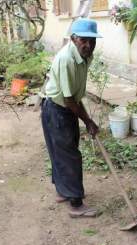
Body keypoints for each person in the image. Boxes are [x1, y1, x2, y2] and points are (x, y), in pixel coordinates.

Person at [41, 18, 102, 218]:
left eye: (92, 41)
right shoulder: (66, 59)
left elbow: (74, 96)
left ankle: (62, 191)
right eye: (84, 40)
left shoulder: (85, 56)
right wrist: (88, 121)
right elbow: (68, 100)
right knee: (69, 156)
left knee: (63, 151)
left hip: (64, 107)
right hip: (56, 110)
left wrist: (86, 120)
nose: (89, 45)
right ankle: (76, 204)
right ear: (74, 39)